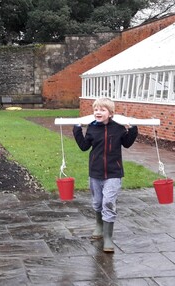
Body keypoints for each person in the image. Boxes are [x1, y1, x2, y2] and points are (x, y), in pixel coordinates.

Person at [72, 98, 138, 252]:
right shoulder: (92, 128)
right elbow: (84, 146)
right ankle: (99, 226)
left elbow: (127, 143)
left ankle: (108, 238)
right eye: (96, 109)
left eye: (102, 110)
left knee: (108, 203)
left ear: (110, 113)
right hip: (95, 172)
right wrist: (77, 129)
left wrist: (132, 129)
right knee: (97, 202)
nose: (98, 112)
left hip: (114, 173)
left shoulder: (118, 128)